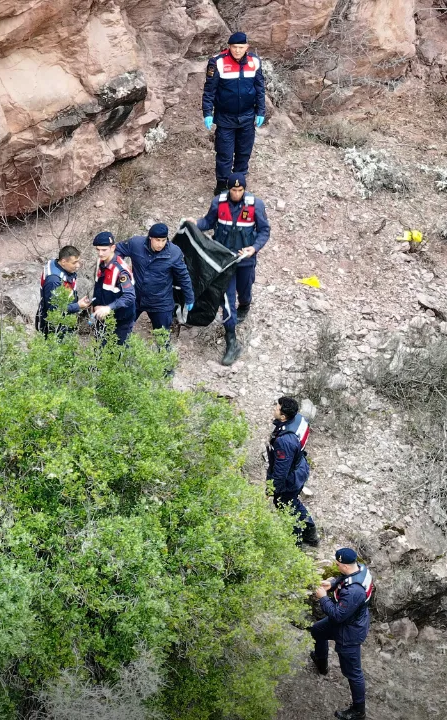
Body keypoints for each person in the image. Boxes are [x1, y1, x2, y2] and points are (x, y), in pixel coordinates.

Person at [190, 173, 269, 365]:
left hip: (245, 260)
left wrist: (254, 248)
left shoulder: (255, 205)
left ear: (244, 189)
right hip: (224, 261)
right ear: (228, 189)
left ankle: (246, 304)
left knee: (244, 290)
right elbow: (208, 222)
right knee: (226, 300)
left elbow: (264, 230)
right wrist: (195, 223)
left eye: (239, 190)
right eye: (233, 190)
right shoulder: (219, 202)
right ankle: (231, 340)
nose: (236, 193)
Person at [312, 547, 373, 720]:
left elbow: (338, 615)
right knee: (318, 630)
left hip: (350, 631)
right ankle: (321, 661)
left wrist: (323, 597)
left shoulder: (354, 591)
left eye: (338, 564)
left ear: (345, 565)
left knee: (352, 672)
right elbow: (345, 578)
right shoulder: (360, 568)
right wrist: (332, 584)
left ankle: (359, 710)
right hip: (349, 619)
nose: (337, 566)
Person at [202, 32, 265, 196]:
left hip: (247, 117)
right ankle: (222, 186)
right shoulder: (217, 62)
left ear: (247, 47)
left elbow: (260, 89)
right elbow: (209, 91)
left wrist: (261, 111)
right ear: (229, 47)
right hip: (225, 118)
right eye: (234, 47)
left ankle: (238, 183)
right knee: (225, 154)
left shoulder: (255, 62)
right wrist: (207, 112)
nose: (237, 51)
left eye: (241, 47)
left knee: (244, 152)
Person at [116, 223, 195, 339]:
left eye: (163, 240)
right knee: (120, 333)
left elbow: (183, 276)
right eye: (157, 240)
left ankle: (162, 357)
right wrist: (121, 271)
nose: (160, 244)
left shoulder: (174, 253)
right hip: (135, 297)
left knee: (162, 340)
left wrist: (189, 297)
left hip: (161, 302)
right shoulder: (136, 244)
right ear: (150, 238)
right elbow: (117, 251)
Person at [268, 396, 318, 546]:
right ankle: (310, 532)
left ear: (283, 416)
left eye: (277, 407)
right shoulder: (299, 419)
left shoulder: (285, 441)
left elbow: (281, 471)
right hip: (300, 467)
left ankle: (295, 542)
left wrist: (271, 489)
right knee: (293, 502)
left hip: (291, 477)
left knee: (285, 506)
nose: (274, 408)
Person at [90, 232, 137, 345]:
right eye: (98, 250)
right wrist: (94, 303)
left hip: (120, 321)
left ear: (113, 248)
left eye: (104, 250)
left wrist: (108, 308)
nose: (100, 253)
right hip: (102, 317)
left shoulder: (121, 271)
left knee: (117, 355)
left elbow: (130, 296)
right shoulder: (101, 262)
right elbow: (99, 286)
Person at [36, 245, 88, 336]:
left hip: (65, 320)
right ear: (63, 261)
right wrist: (77, 306)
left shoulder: (59, 267)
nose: (78, 265)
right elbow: (54, 309)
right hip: (55, 327)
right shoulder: (54, 281)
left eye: (78, 261)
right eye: (74, 262)